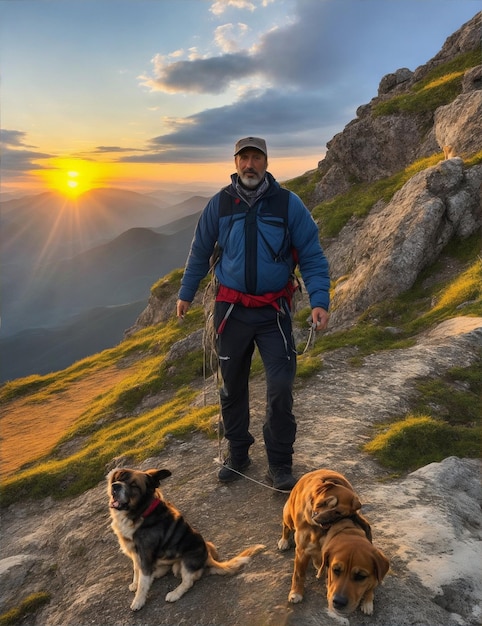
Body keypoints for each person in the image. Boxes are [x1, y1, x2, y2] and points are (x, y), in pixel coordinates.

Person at [177, 137, 330, 491]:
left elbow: (311, 254)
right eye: (243, 158)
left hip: (273, 311)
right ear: (235, 163)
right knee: (231, 386)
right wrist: (186, 293)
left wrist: (320, 300)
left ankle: (279, 463)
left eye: (256, 158)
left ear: (265, 162)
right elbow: (200, 251)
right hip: (230, 311)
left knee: (280, 386)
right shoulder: (220, 204)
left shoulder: (288, 204)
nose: (249, 164)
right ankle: (238, 452)